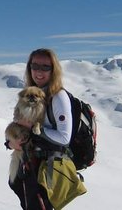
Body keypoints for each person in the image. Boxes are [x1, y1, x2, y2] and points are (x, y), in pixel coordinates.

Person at [7, 48, 86, 210]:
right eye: (35, 66)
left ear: (54, 69)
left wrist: (36, 129)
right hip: (32, 164)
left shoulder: (58, 97)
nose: (39, 72)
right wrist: (10, 143)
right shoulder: (34, 92)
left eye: (45, 67)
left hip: (49, 169)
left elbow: (64, 138)